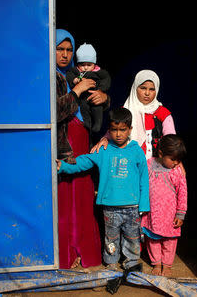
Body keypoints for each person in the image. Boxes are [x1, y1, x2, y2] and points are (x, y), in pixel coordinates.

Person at [56, 108, 149, 271]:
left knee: (132, 237)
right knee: (110, 238)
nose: (118, 134)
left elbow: (144, 179)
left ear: (130, 129)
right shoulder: (103, 150)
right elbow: (83, 162)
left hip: (132, 207)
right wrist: (63, 166)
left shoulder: (136, 151)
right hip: (110, 207)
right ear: (109, 130)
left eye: (122, 130)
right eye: (114, 130)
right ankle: (112, 262)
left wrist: (144, 205)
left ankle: (132, 261)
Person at [55, 28, 109, 269]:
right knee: (64, 201)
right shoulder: (50, 77)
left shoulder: (75, 76)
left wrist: (103, 98)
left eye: (69, 50)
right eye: (60, 49)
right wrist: (77, 91)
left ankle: (85, 254)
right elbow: (53, 113)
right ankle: (65, 256)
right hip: (62, 148)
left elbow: (94, 111)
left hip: (82, 143)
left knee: (83, 197)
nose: (65, 55)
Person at [91, 70, 176, 160]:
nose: (147, 93)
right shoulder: (126, 111)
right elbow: (114, 130)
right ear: (135, 88)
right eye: (143, 88)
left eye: (152, 89)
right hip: (129, 162)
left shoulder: (163, 113)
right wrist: (105, 139)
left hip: (156, 165)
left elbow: (171, 142)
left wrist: (175, 159)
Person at [141, 134, 188, 277]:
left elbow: (182, 193)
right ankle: (157, 263)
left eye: (178, 160)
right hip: (152, 214)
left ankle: (167, 265)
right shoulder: (149, 164)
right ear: (161, 153)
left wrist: (180, 214)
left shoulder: (177, 171)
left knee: (169, 241)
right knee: (153, 239)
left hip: (170, 215)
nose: (176, 163)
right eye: (173, 159)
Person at [66, 43, 111, 134]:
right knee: (84, 109)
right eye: (82, 65)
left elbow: (107, 79)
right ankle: (87, 125)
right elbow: (69, 75)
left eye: (89, 65)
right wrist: (75, 81)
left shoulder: (99, 72)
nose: (85, 67)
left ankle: (97, 125)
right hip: (83, 98)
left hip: (94, 95)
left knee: (97, 109)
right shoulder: (75, 71)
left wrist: (101, 89)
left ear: (94, 64)